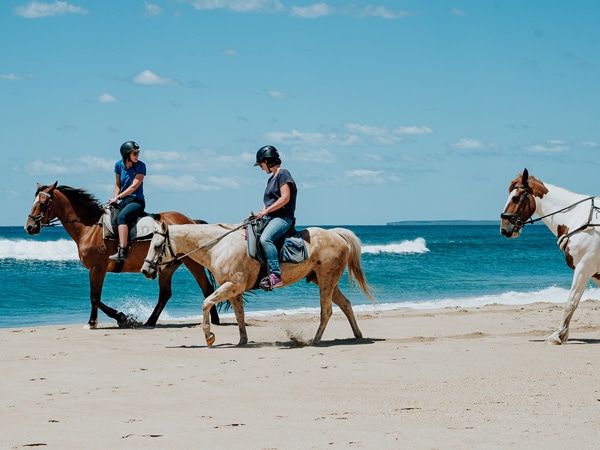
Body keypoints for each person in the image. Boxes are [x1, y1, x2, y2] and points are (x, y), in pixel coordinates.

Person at [252, 145, 297, 290]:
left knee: (266, 239)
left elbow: (284, 198)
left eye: (261, 164)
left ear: (267, 160)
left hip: (283, 218)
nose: (260, 167)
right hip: (270, 217)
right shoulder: (271, 179)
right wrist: (259, 214)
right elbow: (268, 203)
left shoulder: (284, 174)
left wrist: (265, 213)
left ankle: (276, 275)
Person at [108, 140, 146, 262]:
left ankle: (123, 251)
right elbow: (117, 184)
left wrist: (118, 198)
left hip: (136, 201)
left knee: (122, 218)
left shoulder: (141, 166)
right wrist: (115, 198)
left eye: (138, 153)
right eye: (135, 153)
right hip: (123, 200)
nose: (137, 155)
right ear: (126, 154)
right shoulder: (118, 165)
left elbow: (134, 187)